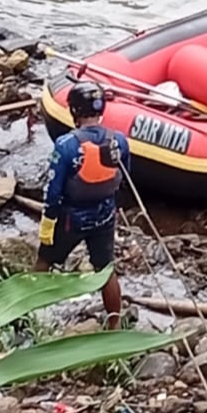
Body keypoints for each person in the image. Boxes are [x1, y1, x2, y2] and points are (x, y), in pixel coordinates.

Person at [36, 81, 131, 330]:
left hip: (71, 218)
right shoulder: (119, 141)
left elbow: (53, 190)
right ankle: (114, 325)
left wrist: (48, 223)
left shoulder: (66, 145)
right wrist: (114, 207)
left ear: (74, 111)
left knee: (44, 260)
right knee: (105, 268)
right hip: (104, 216)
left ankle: (25, 313)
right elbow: (125, 179)